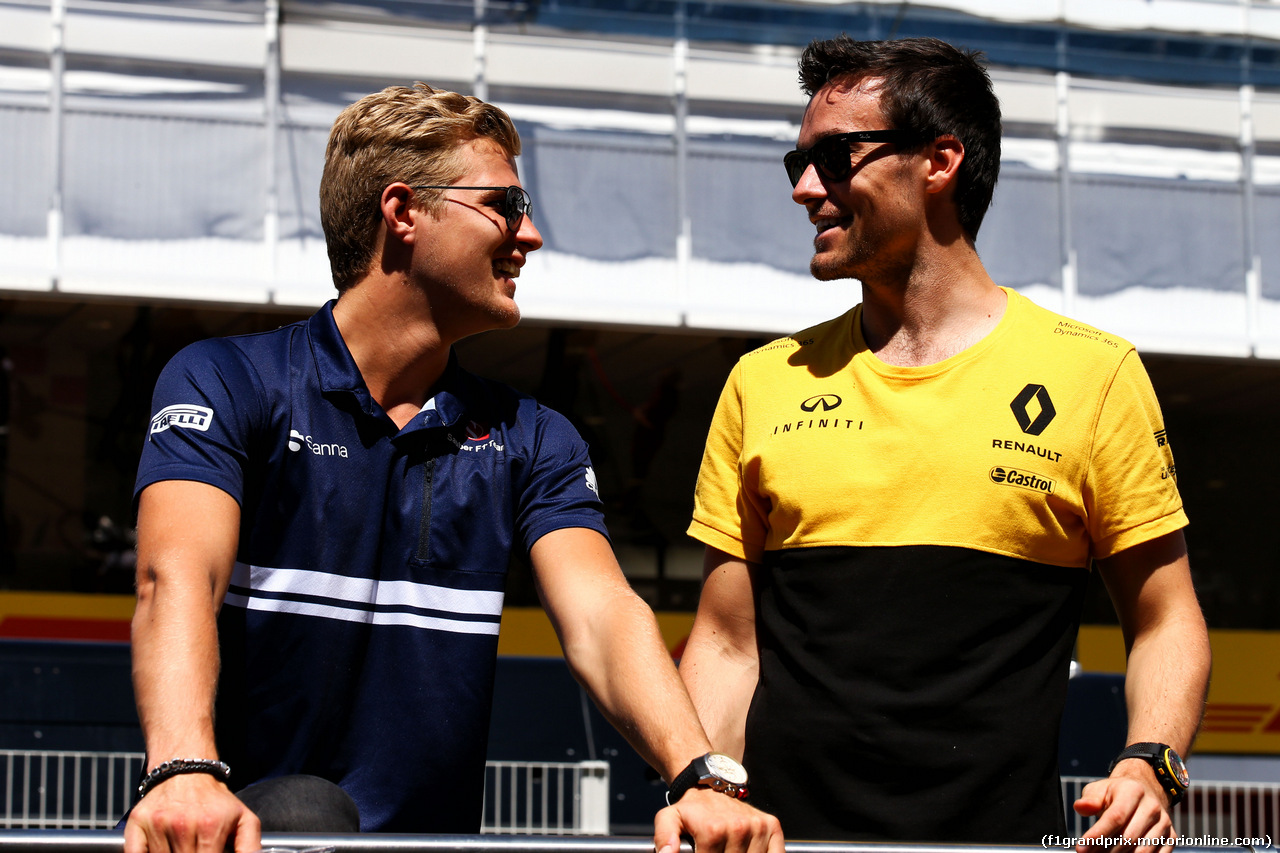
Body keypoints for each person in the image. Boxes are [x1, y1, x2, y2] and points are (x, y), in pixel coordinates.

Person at [124, 82, 783, 853]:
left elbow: (603, 614)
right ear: (403, 213)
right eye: (505, 205)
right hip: (227, 838)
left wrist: (697, 774)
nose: (530, 234)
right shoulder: (224, 380)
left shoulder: (534, 437)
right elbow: (175, 578)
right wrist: (182, 768)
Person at [678, 35, 1210, 848]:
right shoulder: (763, 379)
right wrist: (706, 782)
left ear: (940, 160)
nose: (805, 189)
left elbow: (1166, 619)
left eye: (835, 156)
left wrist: (1149, 764)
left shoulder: (1094, 374)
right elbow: (724, 639)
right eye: (798, 163)